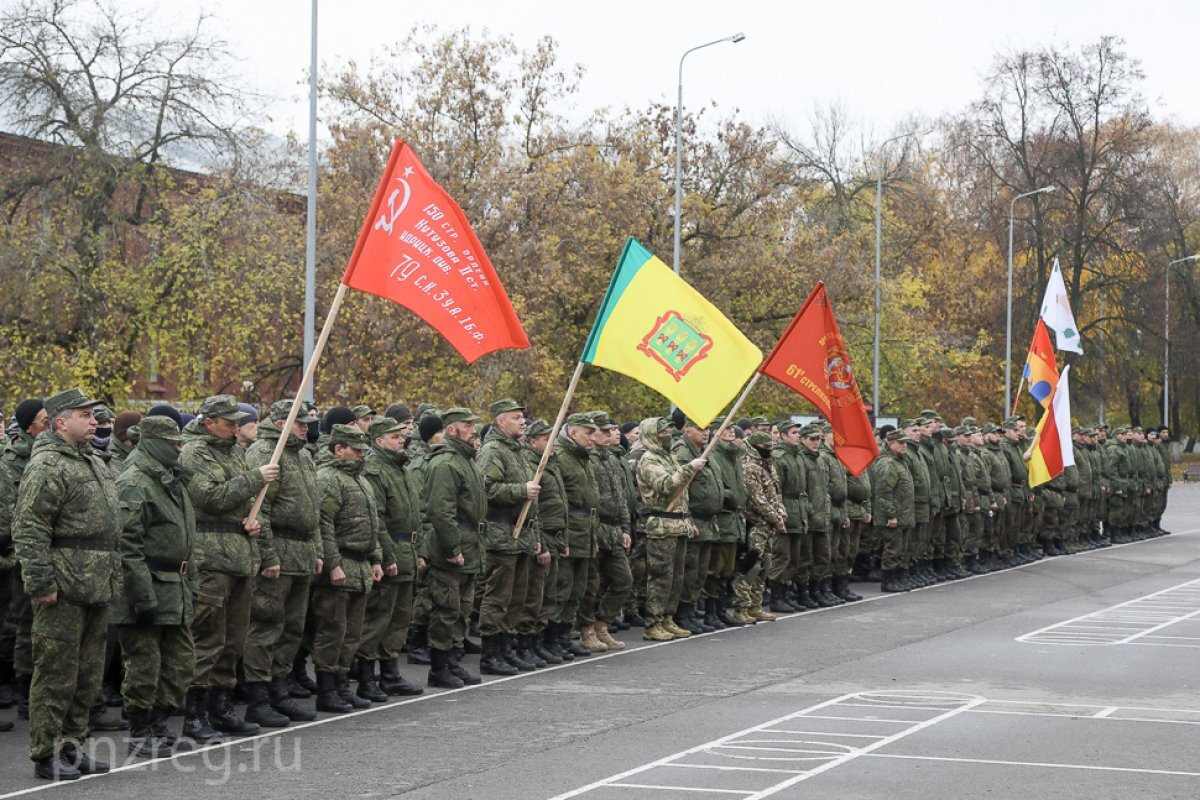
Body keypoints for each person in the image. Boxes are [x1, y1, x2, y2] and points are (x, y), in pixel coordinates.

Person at [13, 388, 121, 780]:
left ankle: (72, 746)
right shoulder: (47, 465)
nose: (93, 421)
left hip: (95, 582)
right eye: (84, 415)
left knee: (87, 674)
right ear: (60, 422)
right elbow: (30, 528)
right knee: (56, 673)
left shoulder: (90, 459)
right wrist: (41, 583)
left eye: (93, 415)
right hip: (64, 584)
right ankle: (46, 752)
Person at [180, 395, 279, 740]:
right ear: (209, 422)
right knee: (208, 637)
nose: (237, 427)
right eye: (229, 422)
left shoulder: (233, 452)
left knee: (233, 640)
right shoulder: (195, 453)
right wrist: (254, 478)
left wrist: (249, 521)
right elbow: (208, 498)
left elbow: (242, 502)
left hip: (239, 554)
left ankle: (221, 707)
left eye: (238, 422)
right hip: (211, 558)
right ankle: (194, 714)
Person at [112, 415, 195, 757]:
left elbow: (187, 538)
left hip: (175, 584)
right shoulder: (135, 481)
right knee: (144, 664)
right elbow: (127, 546)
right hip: (146, 584)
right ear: (155, 443)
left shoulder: (169, 480)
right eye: (174, 442)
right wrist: (141, 596)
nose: (180, 448)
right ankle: (140, 728)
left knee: (180, 661)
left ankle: (159, 723)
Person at [243, 400, 321, 725]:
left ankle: (280, 689)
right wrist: (268, 555)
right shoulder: (265, 453)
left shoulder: (303, 455)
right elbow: (259, 508)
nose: (306, 427)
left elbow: (313, 510)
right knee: (266, 626)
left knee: (292, 628)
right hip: (279, 553)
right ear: (279, 423)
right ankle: (258, 697)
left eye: (306, 422)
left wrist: (316, 550)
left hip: (301, 552)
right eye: (300, 422)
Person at [312, 425, 384, 712]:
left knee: (352, 633)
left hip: (360, 564)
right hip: (341, 562)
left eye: (363, 450)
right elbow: (324, 525)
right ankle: (327, 689)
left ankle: (342, 684)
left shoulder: (361, 481)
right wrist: (333, 564)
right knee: (333, 630)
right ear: (338, 449)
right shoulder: (328, 479)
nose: (361, 454)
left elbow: (372, 524)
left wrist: (376, 558)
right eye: (355, 449)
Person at [358, 415, 424, 697]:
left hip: (407, 550)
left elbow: (413, 515)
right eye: (395, 436)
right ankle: (365, 677)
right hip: (391, 551)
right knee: (378, 619)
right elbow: (379, 521)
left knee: (399, 619)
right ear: (379, 440)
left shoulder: (401, 468)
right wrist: (387, 556)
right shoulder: (375, 470)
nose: (402, 440)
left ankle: (390, 673)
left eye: (402, 435)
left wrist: (417, 551)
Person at [420, 408, 486, 689]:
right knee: (446, 610)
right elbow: (441, 512)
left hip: (471, 546)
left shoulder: (466, 459)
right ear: (451, 430)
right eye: (467, 425)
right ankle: (439, 667)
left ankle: (453, 661)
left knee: (462, 609)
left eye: (473, 424)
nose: (474, 430)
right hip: (452, 549)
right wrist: (452, 548)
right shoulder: (446, 463)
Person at [476, 400, 541, 675]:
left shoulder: (518, 452)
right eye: (516, 418)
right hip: (501, 534)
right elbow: (486, 489)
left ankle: (507, 649)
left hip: (521, 534)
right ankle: (491, 653)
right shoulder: (493, 451)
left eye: (522, 418)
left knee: (517, 597)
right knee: (498, 597)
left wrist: (534, 535)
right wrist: (519, 490)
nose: (523, 422)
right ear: (501, 422)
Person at [634, 417, 705, 641]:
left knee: (677, 576)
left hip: (678, 522)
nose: (668, 435)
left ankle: (668, 617)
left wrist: (688, 520)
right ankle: (653, 622)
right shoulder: (649, 460)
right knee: (660, 576)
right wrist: (689, 468)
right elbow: (665, 485)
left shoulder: (670, 457)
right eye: (663, 432)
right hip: (661, 524)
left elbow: (682, 494)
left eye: (669, 431)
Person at [552, 414, 600, 657]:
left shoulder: (584, 459)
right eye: (588, 433)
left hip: (586, 531)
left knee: (578, 590)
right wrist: (562, 537)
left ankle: (563, 635)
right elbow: (556, 501)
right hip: (570, 530)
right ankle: (552, 639)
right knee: (562, 588)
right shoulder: (561, 457)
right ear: (573, 433)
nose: (593, 438)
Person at [734, 431, 785, 624]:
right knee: (751, 566)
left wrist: (781, 514)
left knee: (765, 566)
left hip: (768, 525)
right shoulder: (749, 467)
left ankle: (756, 605)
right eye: (766, 447)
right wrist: (775, 517)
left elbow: (776, 494)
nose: (769, 450)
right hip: (755, 523)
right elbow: (756, 499)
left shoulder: (768, 465)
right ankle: (741, 606)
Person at [873, 430, 915, 592]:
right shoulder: (888, 463)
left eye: (905, 443)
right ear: (890, 443)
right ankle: (888, 581)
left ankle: (897, 578)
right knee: (892, 549)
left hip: (903, 514)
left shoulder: (899, 461)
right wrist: (891, 515)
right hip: (893, 516)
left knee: (902, 549)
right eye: (901, 443)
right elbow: (884, 492)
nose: (904, 446)